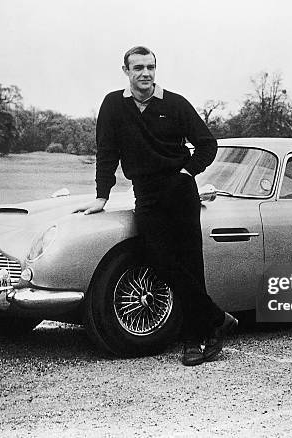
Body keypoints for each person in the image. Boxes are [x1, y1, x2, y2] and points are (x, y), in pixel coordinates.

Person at [73, 46, 237, 366]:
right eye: (138, 68)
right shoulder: (112, 105)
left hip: (179, 191)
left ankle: (193, 340)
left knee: (190, 265)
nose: (145, 73)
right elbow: (107, 153)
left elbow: (207, 143)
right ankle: (217, 319)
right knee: (159, 260)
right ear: (126, 71)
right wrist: (101, 196)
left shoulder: (174, 103)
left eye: (150, 67)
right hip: (145, 194)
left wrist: (188, 171)